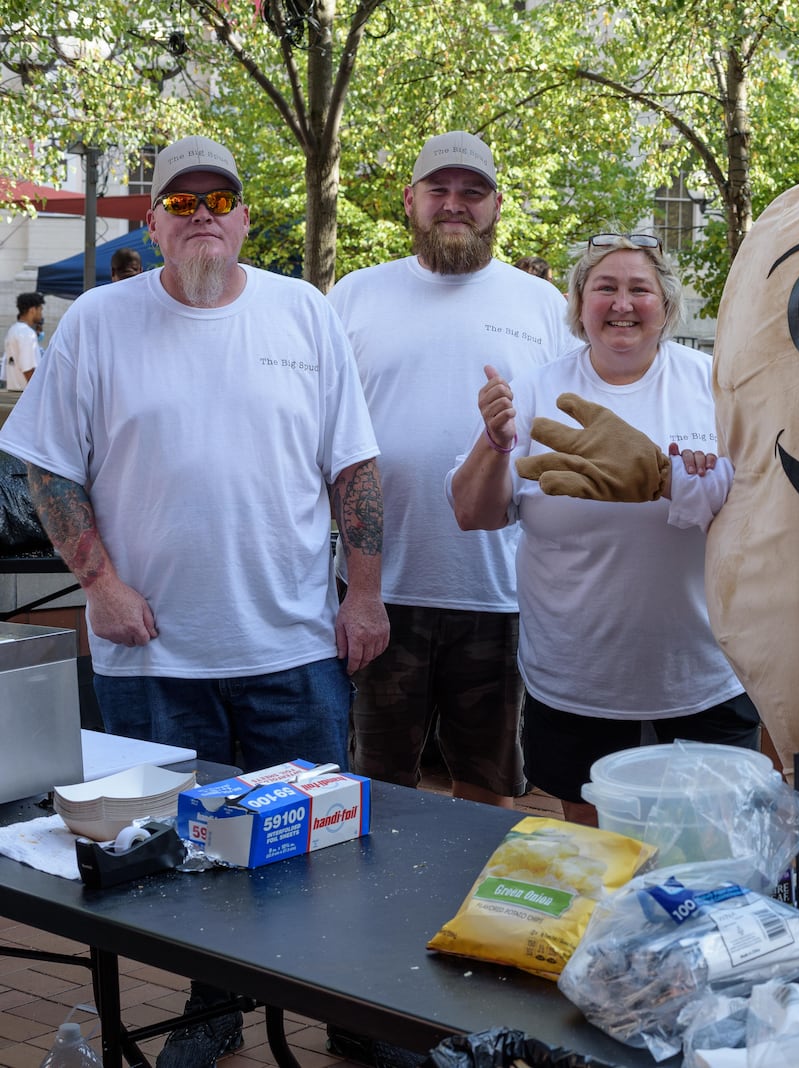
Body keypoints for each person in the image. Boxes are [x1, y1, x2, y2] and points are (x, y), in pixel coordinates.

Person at [0, 134, 388, 1068]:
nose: (203, 214)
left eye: (220, 200)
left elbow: (357, 467)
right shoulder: (96, 321)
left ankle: (346, 1009)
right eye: (181, 203)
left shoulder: (305, 313)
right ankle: (211, 1010)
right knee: (176, 863)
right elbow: (48, 467)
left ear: (246, 218)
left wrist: (364, 597)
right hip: (152, 653)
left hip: (292, 646)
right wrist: (99, 584)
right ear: (156, 223)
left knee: (316, 851)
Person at [450, 232, 758, 825]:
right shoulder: (537, 390)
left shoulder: (715, 387)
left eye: (639, 289)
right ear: (578, 305)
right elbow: (474, 513)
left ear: (666, 307)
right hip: (579, 678)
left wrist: (673, 480)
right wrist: (494, 443)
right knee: (601, 856)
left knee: (709, 849)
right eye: (605, 288)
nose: (622, 303)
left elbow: (761, 503)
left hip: (702, 672)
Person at [328, 131, 569, 809]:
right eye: (439, 190)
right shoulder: (353, 296)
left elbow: (566, 437)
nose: (454, 204)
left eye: (472, 192)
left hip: (499, 593)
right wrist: (356, 590)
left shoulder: (542, 305)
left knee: (484, 788)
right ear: (410, 201)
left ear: (496, 206)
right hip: (382, 589)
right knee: (377, 788)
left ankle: (465, 911)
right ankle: (381, 914)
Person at [4, 292, 43, 390]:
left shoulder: (13, 330)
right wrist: (38, 391)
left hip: (14, 391)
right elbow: (28, 369)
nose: (41, 314)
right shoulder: (27, 333)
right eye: (40, 309)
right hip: (25, 394)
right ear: (33, 310)